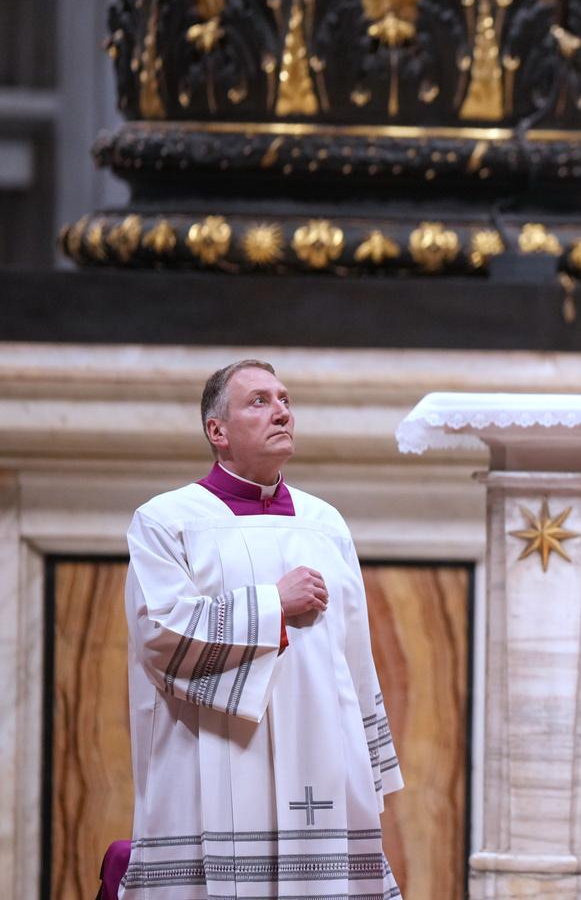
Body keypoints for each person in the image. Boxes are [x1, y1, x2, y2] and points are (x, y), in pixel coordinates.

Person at [119, 360, 403, 899]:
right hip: (210, 758)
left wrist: (366, 766)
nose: (282, 412)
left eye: (285, 399)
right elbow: (160, 635)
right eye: (259, 401)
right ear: (216, 431)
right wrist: (274, 605)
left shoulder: (326, 523)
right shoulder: (166, 521)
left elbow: (355, 659)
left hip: (322, 759)